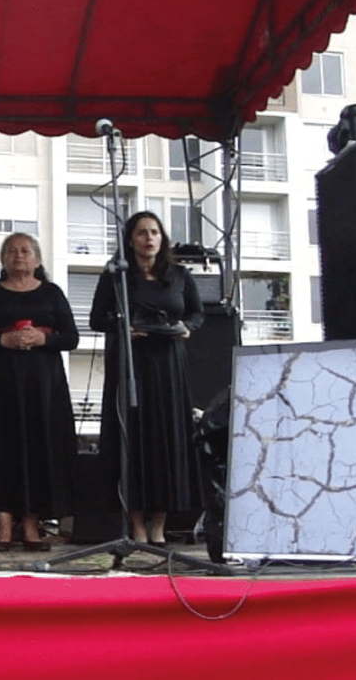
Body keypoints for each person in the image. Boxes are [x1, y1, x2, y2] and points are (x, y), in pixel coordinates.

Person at [89, 210, 204, 546]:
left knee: (166, 440)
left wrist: (187, 329)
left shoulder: (180, 275)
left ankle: (160, 526)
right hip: (131, 363)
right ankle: (137, 525)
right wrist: (123, 327)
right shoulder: (116, 277)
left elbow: (196, 314)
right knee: (135, 439)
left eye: (154, 232)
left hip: (169, 365)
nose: (149, 238)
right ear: (130, 239)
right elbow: (97, 319)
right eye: (142, 232)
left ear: (162, 238)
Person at [0, 233, 78, 551]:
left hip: (44, 386)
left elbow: (72, 337)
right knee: (0, 450)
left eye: (25, 250)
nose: (18, 255)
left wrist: (43, 340)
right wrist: (3, 341)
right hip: (0, 383)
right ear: (2, 259)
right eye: (11, 251)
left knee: (38, 448)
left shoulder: (52, 293)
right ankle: (3, 526)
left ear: (37, 259)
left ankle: (31, 526)